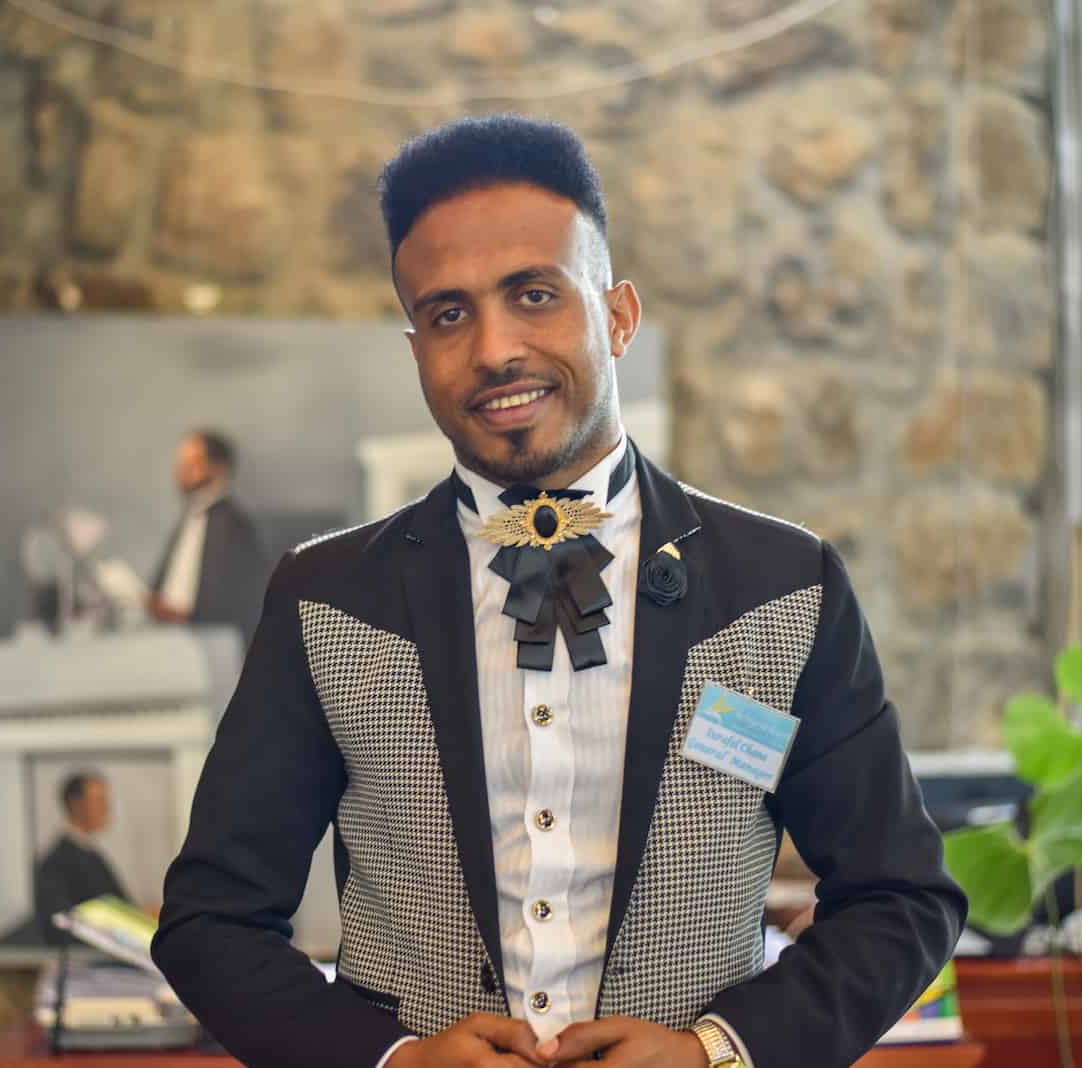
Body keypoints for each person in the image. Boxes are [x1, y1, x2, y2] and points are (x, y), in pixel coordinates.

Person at [153, 115, 966, 1068]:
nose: (495, 349)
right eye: (449, 314)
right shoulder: (325, 597)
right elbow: (210, 921)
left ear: (618, 315)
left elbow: (902, 898)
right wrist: (391, 1060)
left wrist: (719, 1050)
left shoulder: (784, 588)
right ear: (415, 346)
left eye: (533, 295)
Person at [146, 430, 267, 639]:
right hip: (174, 636)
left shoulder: (234, 526)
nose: (182, 471)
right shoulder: (188, 519)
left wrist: (186, 615)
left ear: (218, 468)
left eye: (192, 463)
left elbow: (239, 601)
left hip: (213, 641)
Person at [33, 771, 130, 944]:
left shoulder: (93, 855)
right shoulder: (56, 863)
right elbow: (62, 925)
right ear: (76, 804)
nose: (106, 809)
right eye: (99, 801)